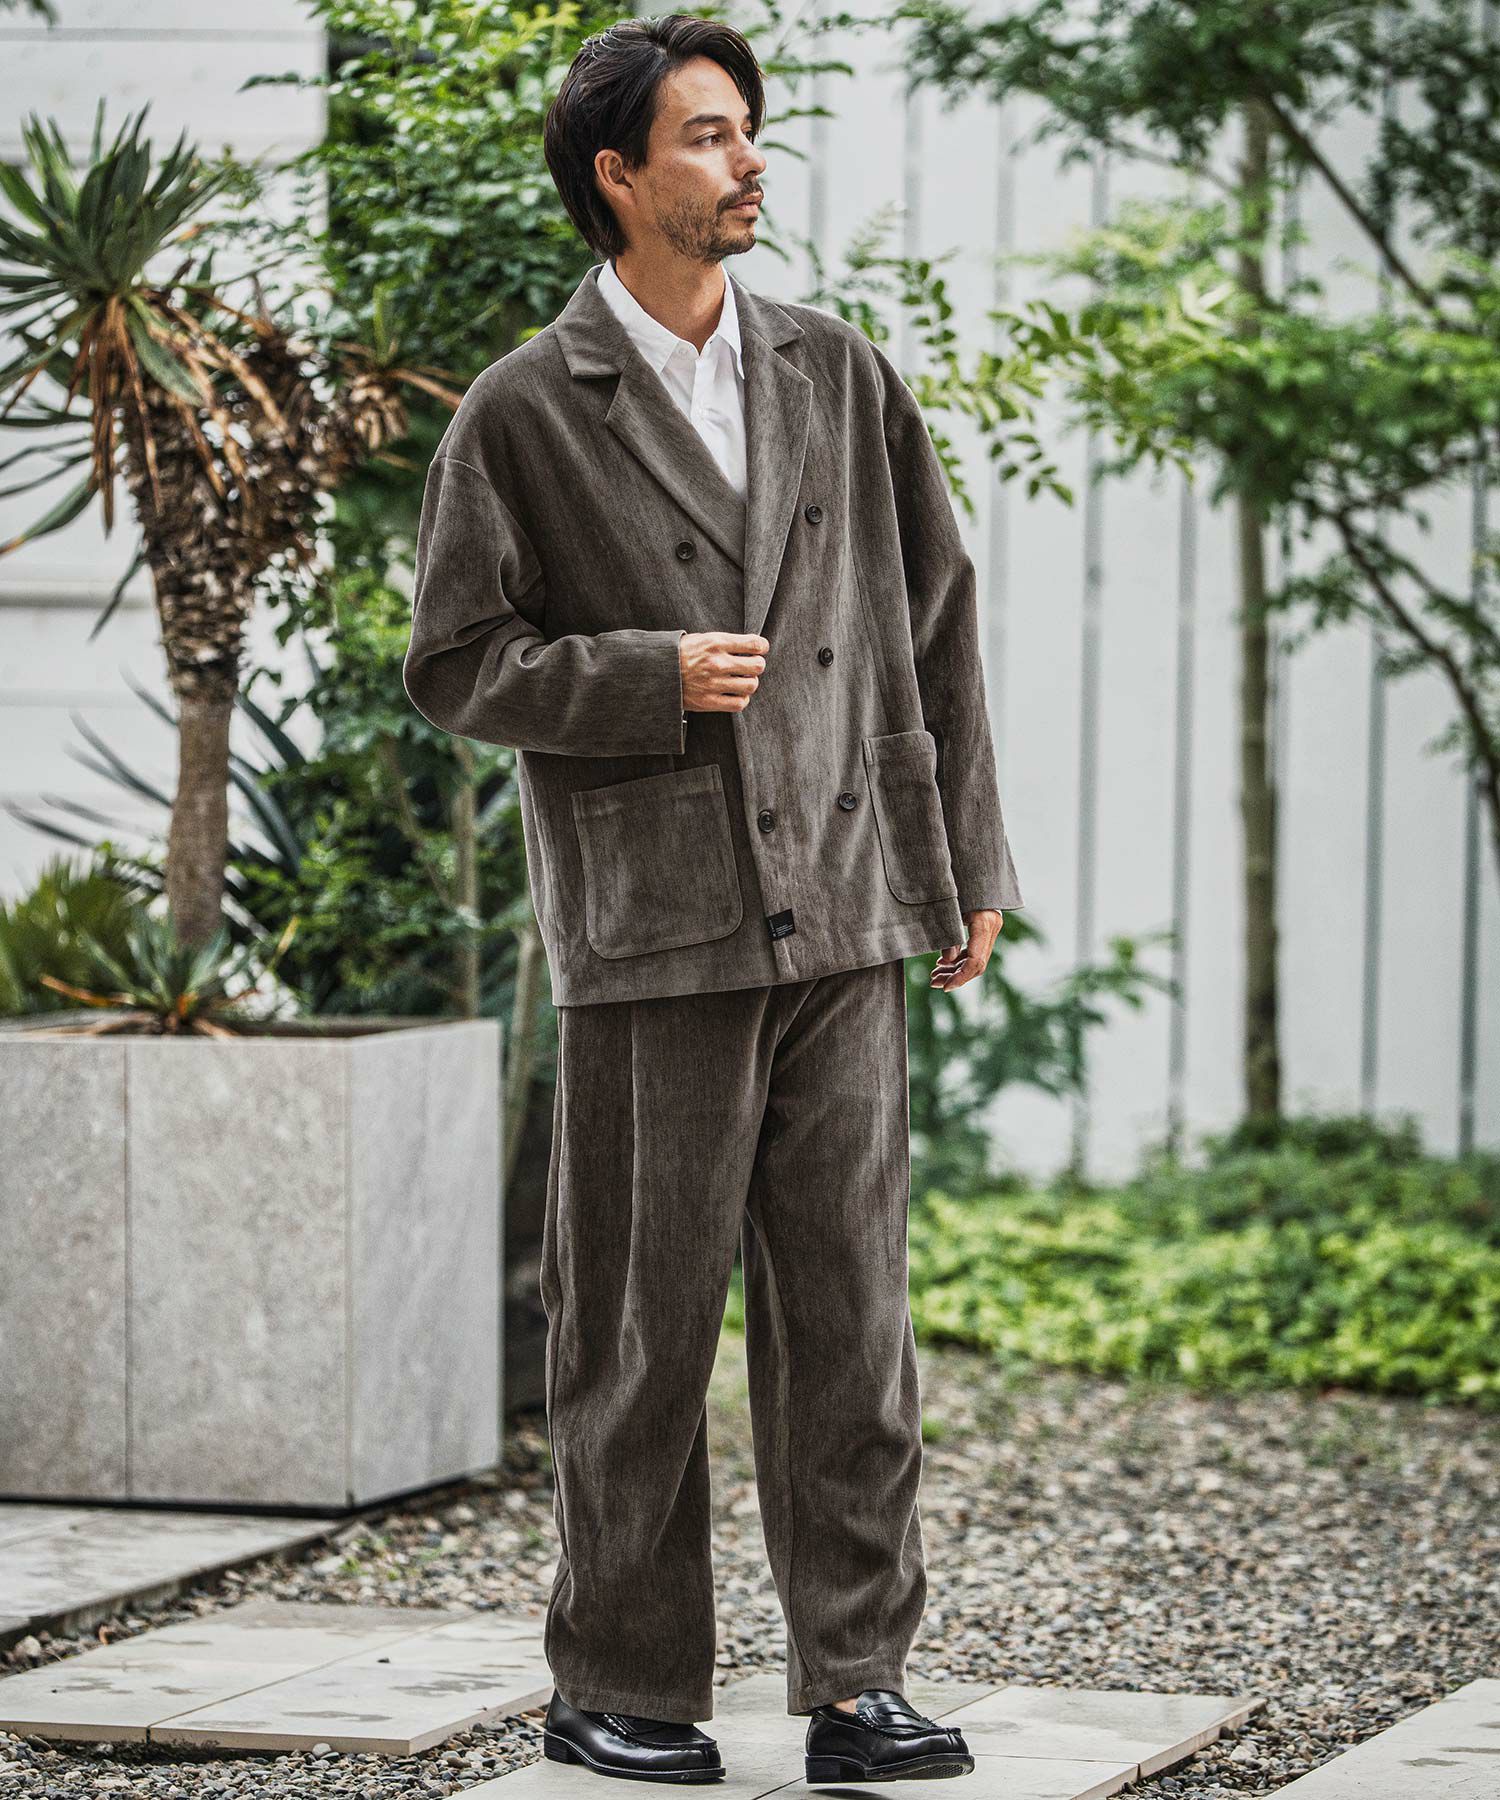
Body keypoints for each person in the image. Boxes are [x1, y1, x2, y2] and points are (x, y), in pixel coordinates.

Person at [402, 12, 1024, 1785]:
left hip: (846, 894)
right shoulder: (527, 408)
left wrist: (967, 863)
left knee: (852, 1323)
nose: (748, 161)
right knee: (639, 1329)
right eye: (706, 136)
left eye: (749, 130)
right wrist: (644, 676)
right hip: (655, 921)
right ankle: (619, 1679)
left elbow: (936, 619)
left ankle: (857, 1680)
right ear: (618, 176)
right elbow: (454, 659)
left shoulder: (837, 372)